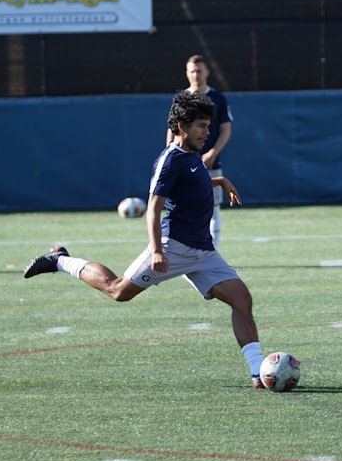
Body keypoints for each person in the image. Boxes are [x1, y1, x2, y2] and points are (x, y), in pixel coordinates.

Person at [25, 91, 265, 388]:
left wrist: (220, 180)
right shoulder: (169, 160)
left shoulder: (192, 156)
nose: (207, 132)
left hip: (203, 251)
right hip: (172, 246)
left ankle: (259, 373)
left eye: (207, 125)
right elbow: (153, 208)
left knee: (242, 300)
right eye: (201, 126)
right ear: (181, 127)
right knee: (119, 291)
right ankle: (61, 259)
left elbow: (194, 182)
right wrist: (157, 251)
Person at [165, 54, 232, 247]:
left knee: (213, 207)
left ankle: (212, 250)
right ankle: (182, 249)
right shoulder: (181, 99)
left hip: (209, 162)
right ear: (187, 73)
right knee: (182, 205)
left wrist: (212, 153)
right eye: (192, 71)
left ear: (207, 72)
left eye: (200, 71)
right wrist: (170, 152)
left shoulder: (218, 98)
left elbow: (226, 128)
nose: (196, 75)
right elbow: (172, 128)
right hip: (183, 163)